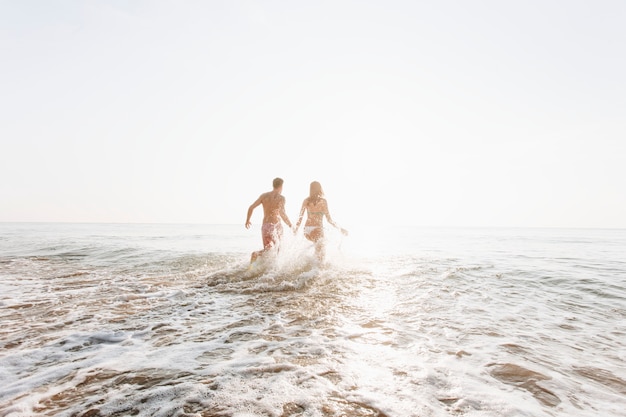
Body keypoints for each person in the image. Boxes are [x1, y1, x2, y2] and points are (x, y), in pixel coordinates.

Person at [294, 181, 348, 260]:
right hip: (317, 229)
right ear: (320, 189)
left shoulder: (306, 201)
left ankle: (309, 264)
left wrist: (296, 229)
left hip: (307, 231)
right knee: (322, 255)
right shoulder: (323, 201)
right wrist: (340, 229)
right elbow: (329, 220)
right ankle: (316, 270)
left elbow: (300, 217)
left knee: (317, 250)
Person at [245, 177, 293, 263]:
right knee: (279, 249)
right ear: (281, 186)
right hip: (275, 226)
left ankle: (255, 256)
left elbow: (251, 207)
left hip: (265, 226)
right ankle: (275, 270)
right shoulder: (281, 198)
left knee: (267, 250)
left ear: (273, 185)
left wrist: (247, 220)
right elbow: (282, 214)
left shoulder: (264, 196)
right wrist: (290, 225)